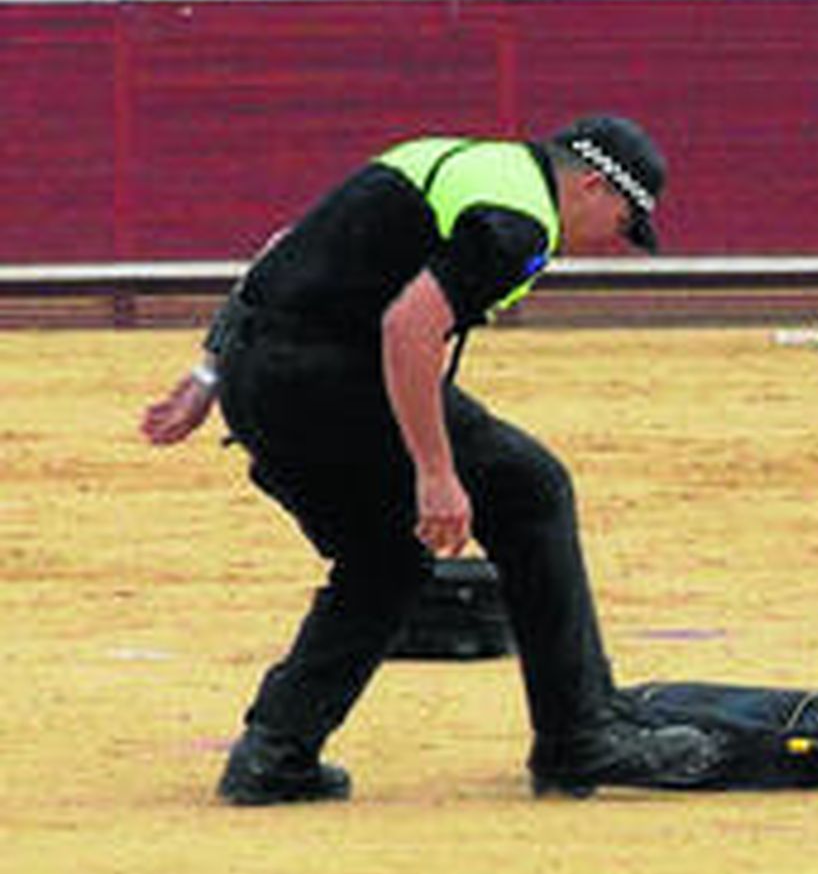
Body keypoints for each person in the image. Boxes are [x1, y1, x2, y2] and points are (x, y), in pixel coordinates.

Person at [141, 116, 717, 804]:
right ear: (593, 184)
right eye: (622, 223)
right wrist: (436, 474)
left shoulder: (455, 158)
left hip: (255, 378)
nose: (612, 244)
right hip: (333, 381)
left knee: (384, 560)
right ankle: (579, 735)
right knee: (534, 491)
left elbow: (284, 248)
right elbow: (409, 327)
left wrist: (209, 373)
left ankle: (274, 754)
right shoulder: (520, 222)